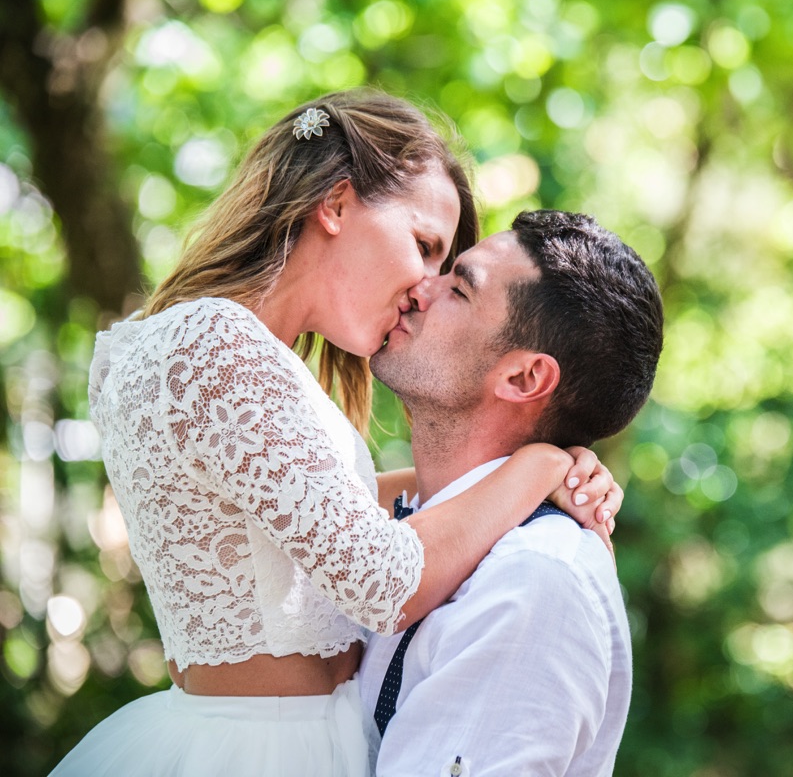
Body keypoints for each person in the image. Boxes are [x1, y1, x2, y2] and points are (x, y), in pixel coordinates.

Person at [51, 91, 620, 777]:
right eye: (424, 246)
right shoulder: (216, 343)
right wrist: (538, 466)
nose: (423, 288)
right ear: (338, 204)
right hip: (262, 750)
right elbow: (384, 582)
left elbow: (295, 525)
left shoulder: (220, 346)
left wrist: (503, 480)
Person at [360, 209, 664, 775]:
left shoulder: (535, 579)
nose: (418, 288)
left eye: (458, 289)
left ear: (524, 378)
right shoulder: (400, 531)